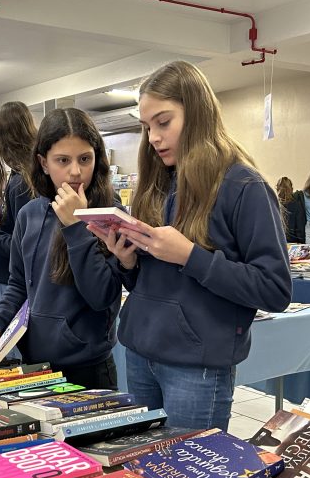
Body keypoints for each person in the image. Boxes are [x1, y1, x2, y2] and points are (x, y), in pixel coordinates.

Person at [89, 61, 291, 431]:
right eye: (147, 126)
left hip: (196, 368)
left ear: (197, 114)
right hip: (138, 352)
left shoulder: (244, 186)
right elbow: (148, 285)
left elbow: (275, 290)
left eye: (163, 122)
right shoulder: (158, 183)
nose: (153, 137)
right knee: (143, 475)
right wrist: (128, 263)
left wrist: (190, 256)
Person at [0, 108, 122, 390]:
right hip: (35, 367)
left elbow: (102, 296)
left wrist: (75, 226)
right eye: (63, 160)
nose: (75, 171)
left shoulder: (109, 214)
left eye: (85, 159)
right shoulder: (31, 214)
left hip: (88, 368)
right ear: (43, 163)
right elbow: (18, 284)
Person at [0, 101, 36, 318]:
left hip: (11, 285)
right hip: (17, 282)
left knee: (4, 349)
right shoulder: (24, 177)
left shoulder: (23, 182)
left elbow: (23, 247)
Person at [276, 176, 302, 243]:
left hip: (277, 240)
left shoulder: (273, 204)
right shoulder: (296, 205)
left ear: (277, 188)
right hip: (293, 241)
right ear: (291, 189)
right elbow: (299, 227)